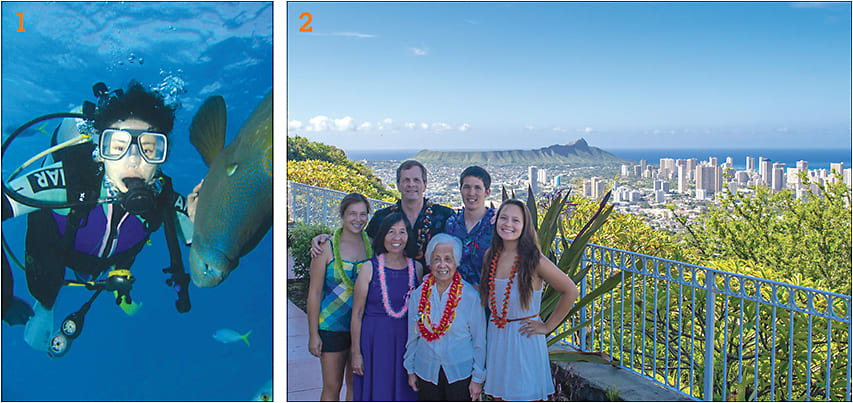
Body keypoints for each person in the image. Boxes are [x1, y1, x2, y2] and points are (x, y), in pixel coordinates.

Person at [1, 80, 200, 356]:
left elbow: (203, 251)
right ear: (99, 150)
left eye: (150, 148)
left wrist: (204, 219)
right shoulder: (70, 178)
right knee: (44, 287)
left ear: (161, 157)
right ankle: (45, 306)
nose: (133, 161)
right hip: (56, 249)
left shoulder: (163, 197)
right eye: (117, 147)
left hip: (110, 264)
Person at [480, 199, 579, 401]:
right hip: (498, 338)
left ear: (525, 226)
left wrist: (547, 326)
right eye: (504, 218)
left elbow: (570, 290)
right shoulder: (491, 255)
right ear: (496, 220)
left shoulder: (535, 259)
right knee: (498, 397)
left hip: (523, 340)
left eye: (516, 220)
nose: (508, 224)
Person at [312, 160, 454, 271]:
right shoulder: (382, 217)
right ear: (398, 185)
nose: (411, 184)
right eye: (406, 180)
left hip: (433, 292)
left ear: (425, 184)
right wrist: (328, 239)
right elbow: (361, 240)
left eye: (416, 180)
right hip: (389, 290)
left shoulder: (445, 216)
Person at [404, 233, 486, 401]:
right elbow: (413, 336)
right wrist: (410, 369)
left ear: (456, 262)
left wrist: (477, 379)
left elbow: (479, 341)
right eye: (436, 259)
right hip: (426, 371)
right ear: (429, 262)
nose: (442, 265)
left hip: (460, 374)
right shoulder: (418, 295)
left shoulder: (470, 296)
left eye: (448, 259)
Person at [307, 193, 373, 401]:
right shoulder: (325, 247)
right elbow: (314, 293)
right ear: (342, 215)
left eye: (363, 214)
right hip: (331, 327)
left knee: (356, 385)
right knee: (332, 386)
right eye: (352, 213)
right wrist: (313, 334)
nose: (358, 219)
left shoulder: (372, 246)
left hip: (361, 328)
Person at [351, 213, 423, 401]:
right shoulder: (369, 268)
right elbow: (357, 314)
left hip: (405, 344)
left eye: (402, 232)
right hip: (374, 343)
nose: (397, 238)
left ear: (409, 236)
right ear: (383, 235)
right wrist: (356, 353)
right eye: (391, 232)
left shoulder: (417, 269)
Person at [443, 166, 495, 287]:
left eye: (477, 188)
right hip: (455, 298)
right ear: (461, 190)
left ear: (487, 192)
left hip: (487, 299)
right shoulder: (451, 224)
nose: (471, 193)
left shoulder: (496, 224)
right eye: (467, 187)